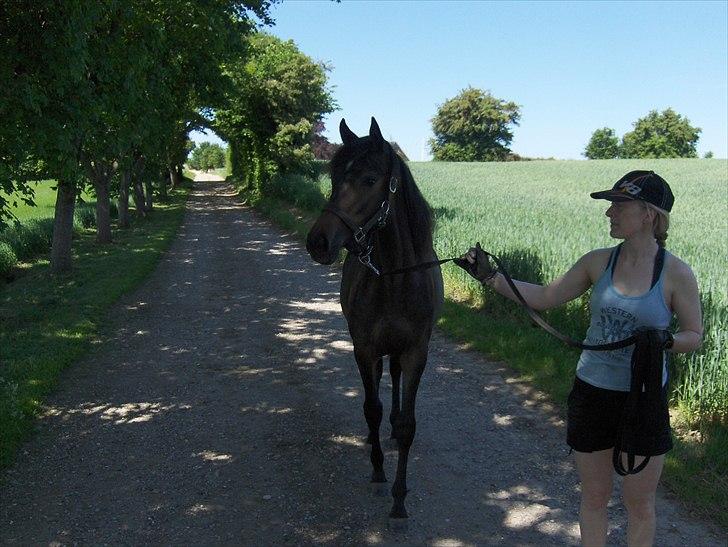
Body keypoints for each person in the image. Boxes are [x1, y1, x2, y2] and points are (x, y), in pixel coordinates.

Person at [456, 170, 703, 547]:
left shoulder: (676, 274)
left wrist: (664, 340)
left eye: (619, 205)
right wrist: (489, 277)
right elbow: (544, 297)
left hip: (643, 400)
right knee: (594, 498)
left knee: (640, 504)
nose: (609, 213)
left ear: (648, 214)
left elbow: (694, 335)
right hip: (592, 393)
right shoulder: (597, 262)